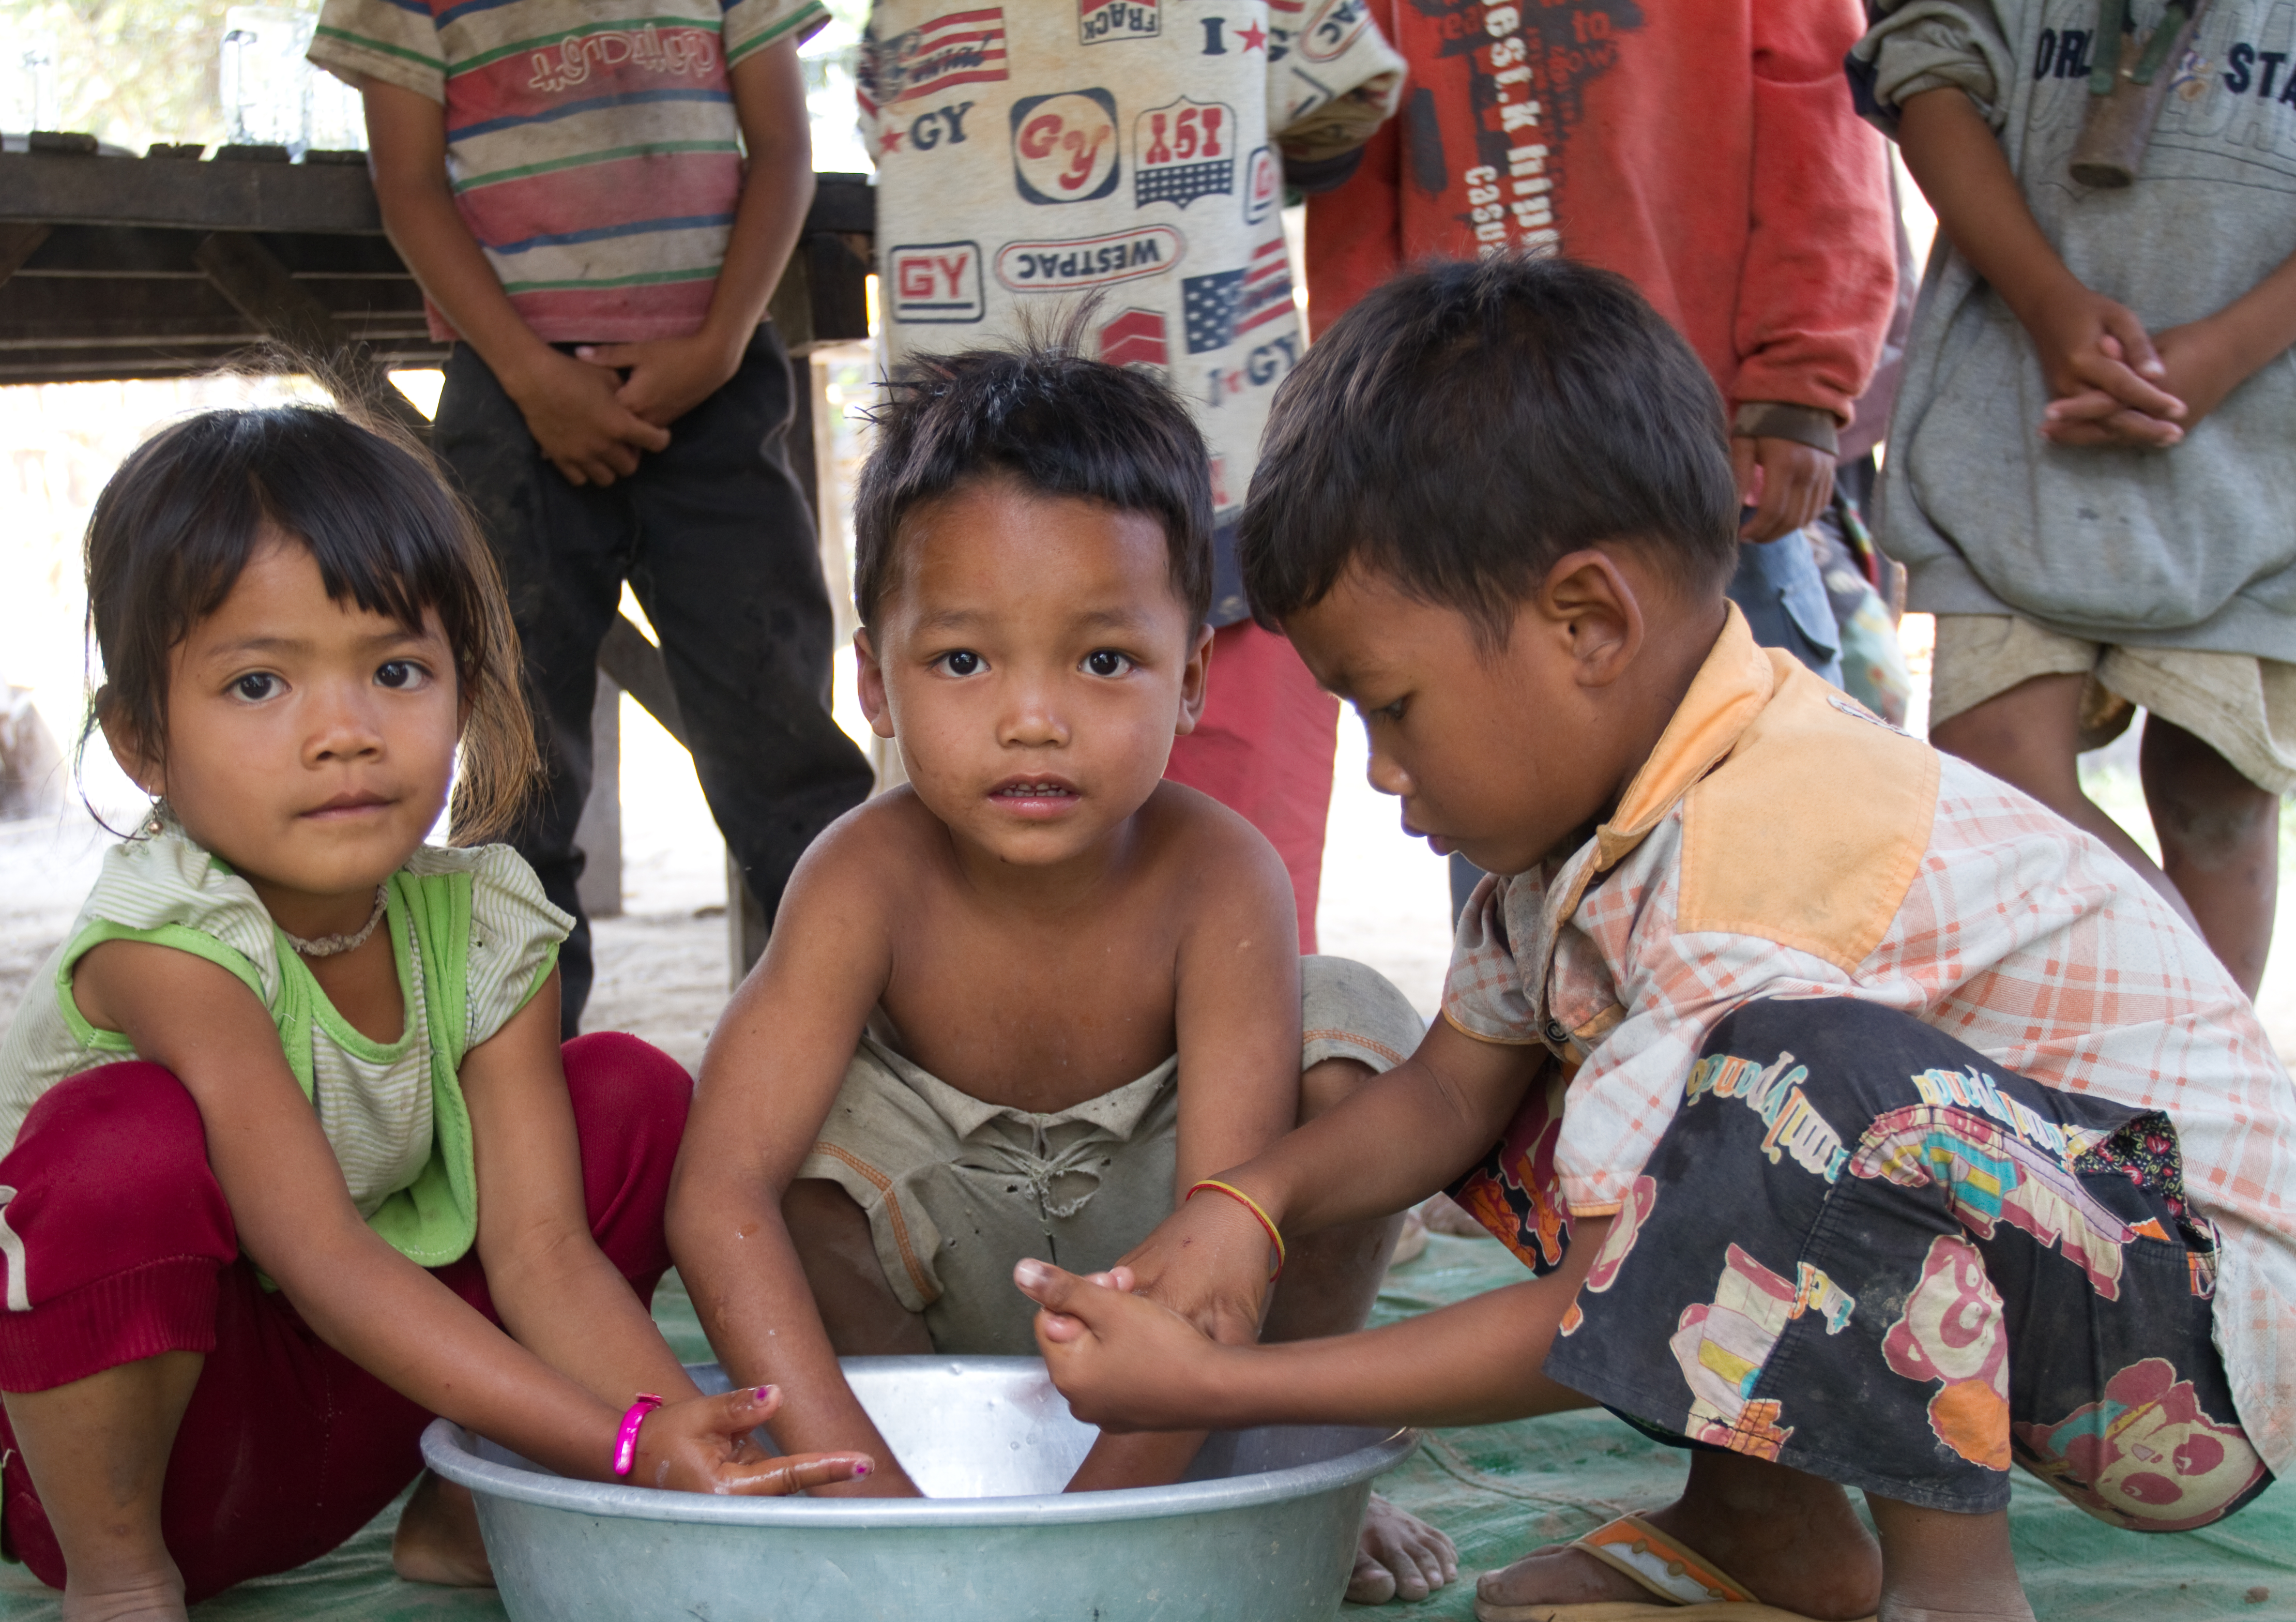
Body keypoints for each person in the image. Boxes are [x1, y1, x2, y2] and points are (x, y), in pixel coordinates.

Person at [1011, 259, 2294, 1622]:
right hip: (2047, 1269)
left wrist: (1228, 1392)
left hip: (2186, 1339)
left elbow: (1596, 1315)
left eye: (1392, 706)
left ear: (1587, 622)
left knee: (1803, 1088)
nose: (1379, 771)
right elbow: (1447, 1099)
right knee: (1606, 1105)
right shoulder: (1593, 837)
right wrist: (1249, 1202)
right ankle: (1770, 1531)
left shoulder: (1760, 856)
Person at [0, 409, 871, 1622]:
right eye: (258, 685)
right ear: (142, 742)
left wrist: (681, 1470)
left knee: (630, 1100)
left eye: (397, 670)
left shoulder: (482, 922)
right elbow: (325, 1261)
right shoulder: (169, 944)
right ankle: (120, 1604)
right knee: (120, 1146)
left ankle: (471, 1508)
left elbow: (544, 1255)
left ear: (467, 689)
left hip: (357, 1413)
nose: (344, 733)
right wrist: (627, 1439)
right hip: (151, 1460)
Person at [666, 340, 1458, 1604]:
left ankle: (1281, 1460)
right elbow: (720, 1201)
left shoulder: (1220, 879)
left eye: (1101, 661)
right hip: (933, 1318)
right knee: (781, 1129)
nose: (1032, 719)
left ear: (1190, 677)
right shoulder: (860, 878)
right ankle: (902, 1469)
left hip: (1183, 1302)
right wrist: (876, 1515)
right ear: (874, 682)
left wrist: (1081, 1545)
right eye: (963, 661)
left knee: (1352, 1039)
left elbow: (1228, 1243)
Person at [312, 0, 873, 1034]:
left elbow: (784, 151)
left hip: (716, 381)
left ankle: (863, 1058)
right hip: (514, 400)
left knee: (787, 753)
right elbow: (410, 187)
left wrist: (716, 347)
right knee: (514, 776)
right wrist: (533, 380)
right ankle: (520, 1078)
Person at [854, 0, 1404, 949]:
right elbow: (1336, 120)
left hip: (1011, 502)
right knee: (1229, 896)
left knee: (1209, 905)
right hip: (1213, 479)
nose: (1036, 722)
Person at [1850, 3, 2296, 996]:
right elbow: (1927, 65)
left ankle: (2194, 1077)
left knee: (2216, 794)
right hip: (2014, 406)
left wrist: (2232, 349)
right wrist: (2047, 302)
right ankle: (2201, 1046)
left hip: (2261, 436)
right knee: (1994, 770)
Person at [1302, 0, 1896, 696]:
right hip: (1469, 472)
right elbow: (1359, 190)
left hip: (1705, 458)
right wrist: (1363, 415)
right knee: (1514, 735)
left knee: (1759, 729)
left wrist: (1801, 383)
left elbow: (1821, 121)